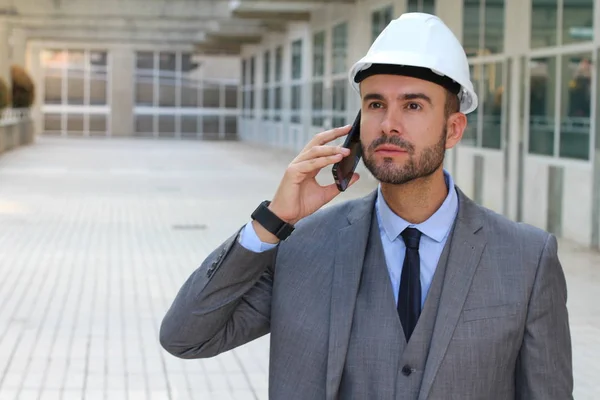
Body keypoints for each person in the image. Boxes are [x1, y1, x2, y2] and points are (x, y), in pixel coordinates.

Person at [160, 12, 573, 400]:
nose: (388, 123)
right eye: (375, 104)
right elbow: (186, 336)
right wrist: (273, 221)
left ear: (453, 129)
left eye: (412, 105)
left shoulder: (526, 259)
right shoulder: (304, 247)